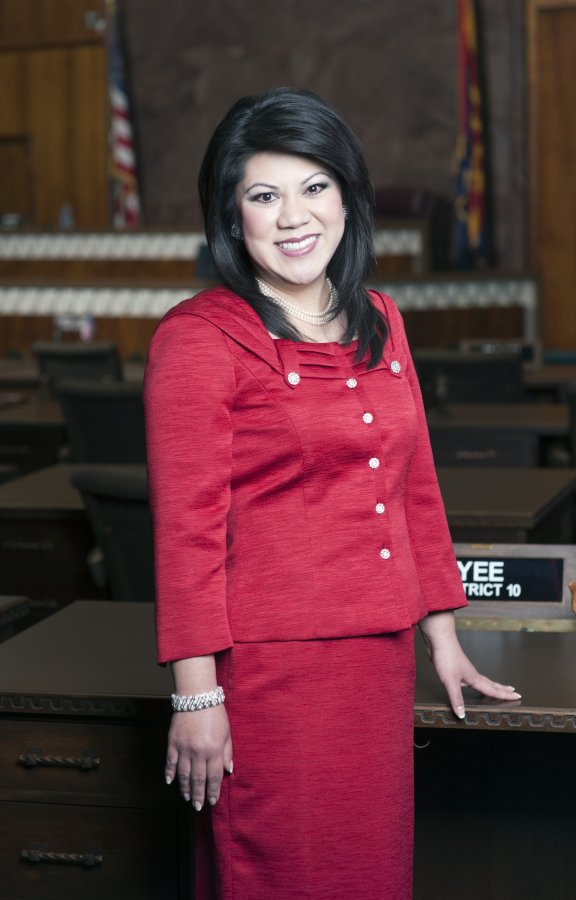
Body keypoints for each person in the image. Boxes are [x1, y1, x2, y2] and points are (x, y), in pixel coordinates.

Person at [144, 87, 521, 900]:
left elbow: (414, 485)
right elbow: (184, 536)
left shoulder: (380, 317)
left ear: (347, 195)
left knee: (368, 874)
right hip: (272, 678)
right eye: (263, 195)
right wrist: (197, 697)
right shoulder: (199, 339)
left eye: (314, 186)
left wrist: (443, 634)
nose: (294, 217)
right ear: (231, 214)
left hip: (377, 663)